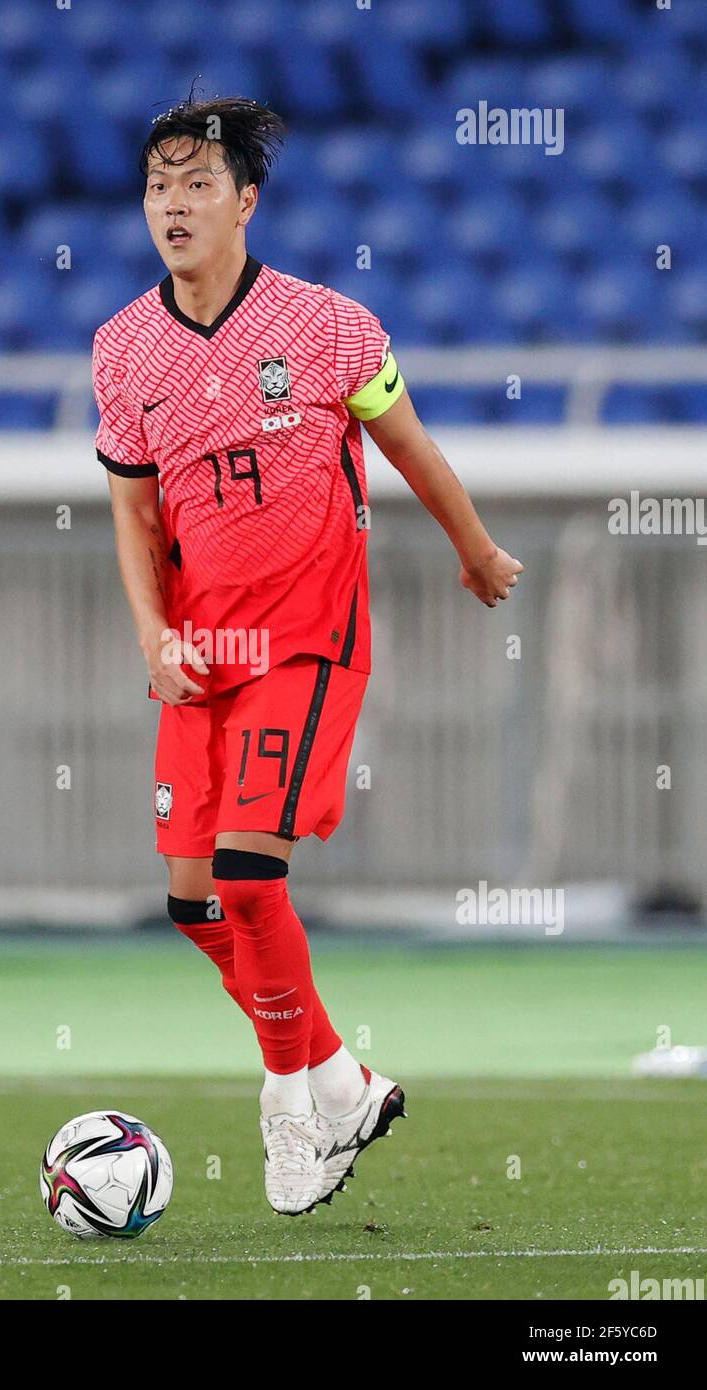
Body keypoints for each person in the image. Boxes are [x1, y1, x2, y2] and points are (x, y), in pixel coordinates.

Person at [92, 95, 523, 1215]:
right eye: (156, 187)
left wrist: (475, 549)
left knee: (247, 876)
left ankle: (293, 1108)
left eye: (196, 186)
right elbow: (133, 520)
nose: (173, 206)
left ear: (246, 200)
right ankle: (342, 1077)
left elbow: (409, 440)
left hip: (306, 643)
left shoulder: (330, 327)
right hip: (199, 653)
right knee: (193, 907)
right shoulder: (122, 349)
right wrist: (152, 632)